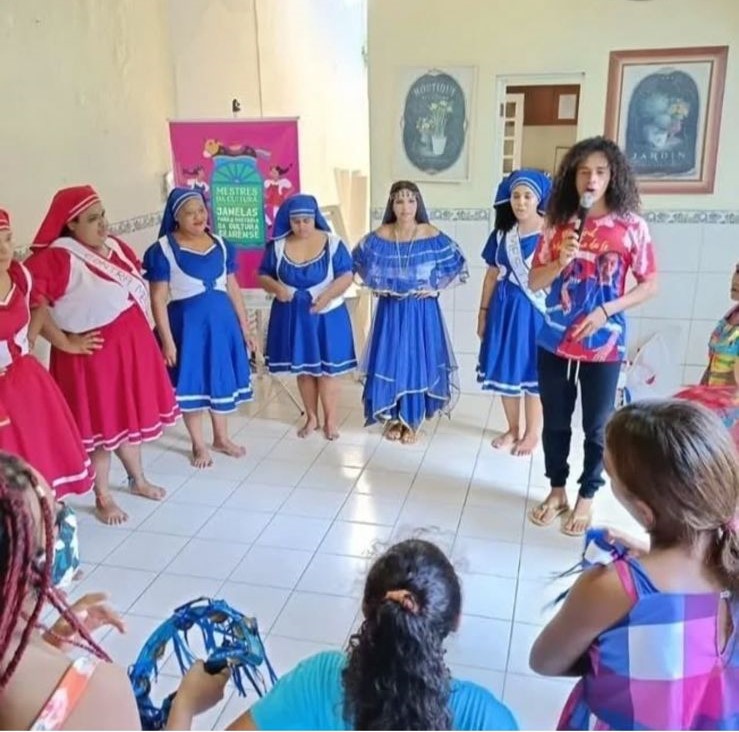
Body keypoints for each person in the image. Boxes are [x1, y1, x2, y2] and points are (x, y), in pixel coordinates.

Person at [530, 400, 739, 730]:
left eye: (610, 475)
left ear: (644, 512)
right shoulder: (731, 562)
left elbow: (545, 661)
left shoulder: (614, 589)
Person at [0, 451, 229, 730]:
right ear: (28, 561)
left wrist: (49, 642)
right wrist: (186, 705)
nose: (63, 513)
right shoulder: (93, 692)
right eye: (56, 517)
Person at [226, 538, 518, 730]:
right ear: (456, 621)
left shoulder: (316, 680)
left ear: (368, 609)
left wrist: (197, 695)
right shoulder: (485, 718)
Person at [25, 186, 179, 525]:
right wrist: (64, 342)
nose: (103, 224)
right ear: (71, 224)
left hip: (129, 350)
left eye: (103, 215)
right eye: (93, 219)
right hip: (92, 359)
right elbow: (35, 305)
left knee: (126, 421)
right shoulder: (57, 258)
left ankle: (138, 479)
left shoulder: (115, 247)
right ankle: (103, 496)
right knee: (101, 428)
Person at [528, 137, 658, 536]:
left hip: (604, 343)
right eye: (584, 171)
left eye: (601, 171)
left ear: (613, 175)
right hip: (555, 339)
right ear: (573, 177)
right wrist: (560, 261)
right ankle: (556, 490)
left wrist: (606, 310)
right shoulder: (557, 223)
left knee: (597, 425)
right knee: (555, 420)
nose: (592, 179)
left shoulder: (631, 226)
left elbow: (649, 284)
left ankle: (586, 494)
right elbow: (534, 281)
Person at [144, 188, 254, 468]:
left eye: (201, 210)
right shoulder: (163, 251)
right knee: (192, 384)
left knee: (219, 380)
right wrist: (167, 341)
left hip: (223, 329)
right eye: (189, 213)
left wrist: (245, 328)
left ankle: (221, 438)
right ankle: (198, 443)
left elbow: (233, 288)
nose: (198, 217)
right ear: (176, 217)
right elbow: (157, 298)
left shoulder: (222, 244)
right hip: (188, 331)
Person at [353, 181, 467, 445]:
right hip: (391, 311)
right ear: (392, 205)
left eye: (411, 200)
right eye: (399, 201)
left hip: (420, 311)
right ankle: (394, 417)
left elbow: (457, 263)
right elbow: (357, 261)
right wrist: (377, 285)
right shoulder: (381, 235)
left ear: (418, 204)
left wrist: (435, 288)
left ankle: (412, 421)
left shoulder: (430, 233)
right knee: (391, 359)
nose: (405, 207)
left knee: (416, 361)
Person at [0, 209, 93, 498]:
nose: (4, 250)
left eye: (8, 239)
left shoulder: (19, 276)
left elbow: (38, 304)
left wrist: (45, 340)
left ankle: (43, 515)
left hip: (25, 381)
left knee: (37, 451)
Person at [258, 194, 356, 440]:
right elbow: (263, 274)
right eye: (296, 221)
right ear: (288, 221)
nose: (302, 226)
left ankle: (330, 420)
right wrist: (276, 288)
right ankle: (311, 417)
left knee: (327, 370)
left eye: (306, 220)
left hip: (327, 315)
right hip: (294, 315)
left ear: (315, 218)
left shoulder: (333, 244)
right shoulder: (278, 246)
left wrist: (327, 295)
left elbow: (346, 275)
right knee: (304, 369)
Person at [477, 170, 551, 456]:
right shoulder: (501, 235)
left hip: (535, 313)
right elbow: (490, 276)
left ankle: (532, 434)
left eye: (527, 196)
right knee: (506, 368)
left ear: (538, 199)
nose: (521, 202)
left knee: (533, 372)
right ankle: (512, 428)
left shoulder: (550, 234)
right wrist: (483, 313)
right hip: (504, 309)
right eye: (516, 196)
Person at [675, 260, 738, 446]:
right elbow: (712, 365)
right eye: (737, 271)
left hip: (732, 413)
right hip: (715, 408)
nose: (736, 279)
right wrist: (700, 394)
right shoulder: (731, 315)